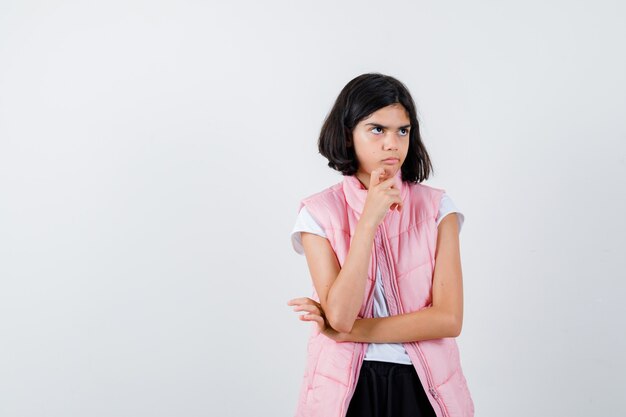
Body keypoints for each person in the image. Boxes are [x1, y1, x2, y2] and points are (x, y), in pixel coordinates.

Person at [287, 73, 474, 417]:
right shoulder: (317, 213)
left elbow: (449, 319)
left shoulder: (437, 208)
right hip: (346, 389)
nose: (392, 143)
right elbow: (340, 315)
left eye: (402, 130)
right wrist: (369, 220)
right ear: (347, 134)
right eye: (377, 129)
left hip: (423, 386)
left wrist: (353, 332)